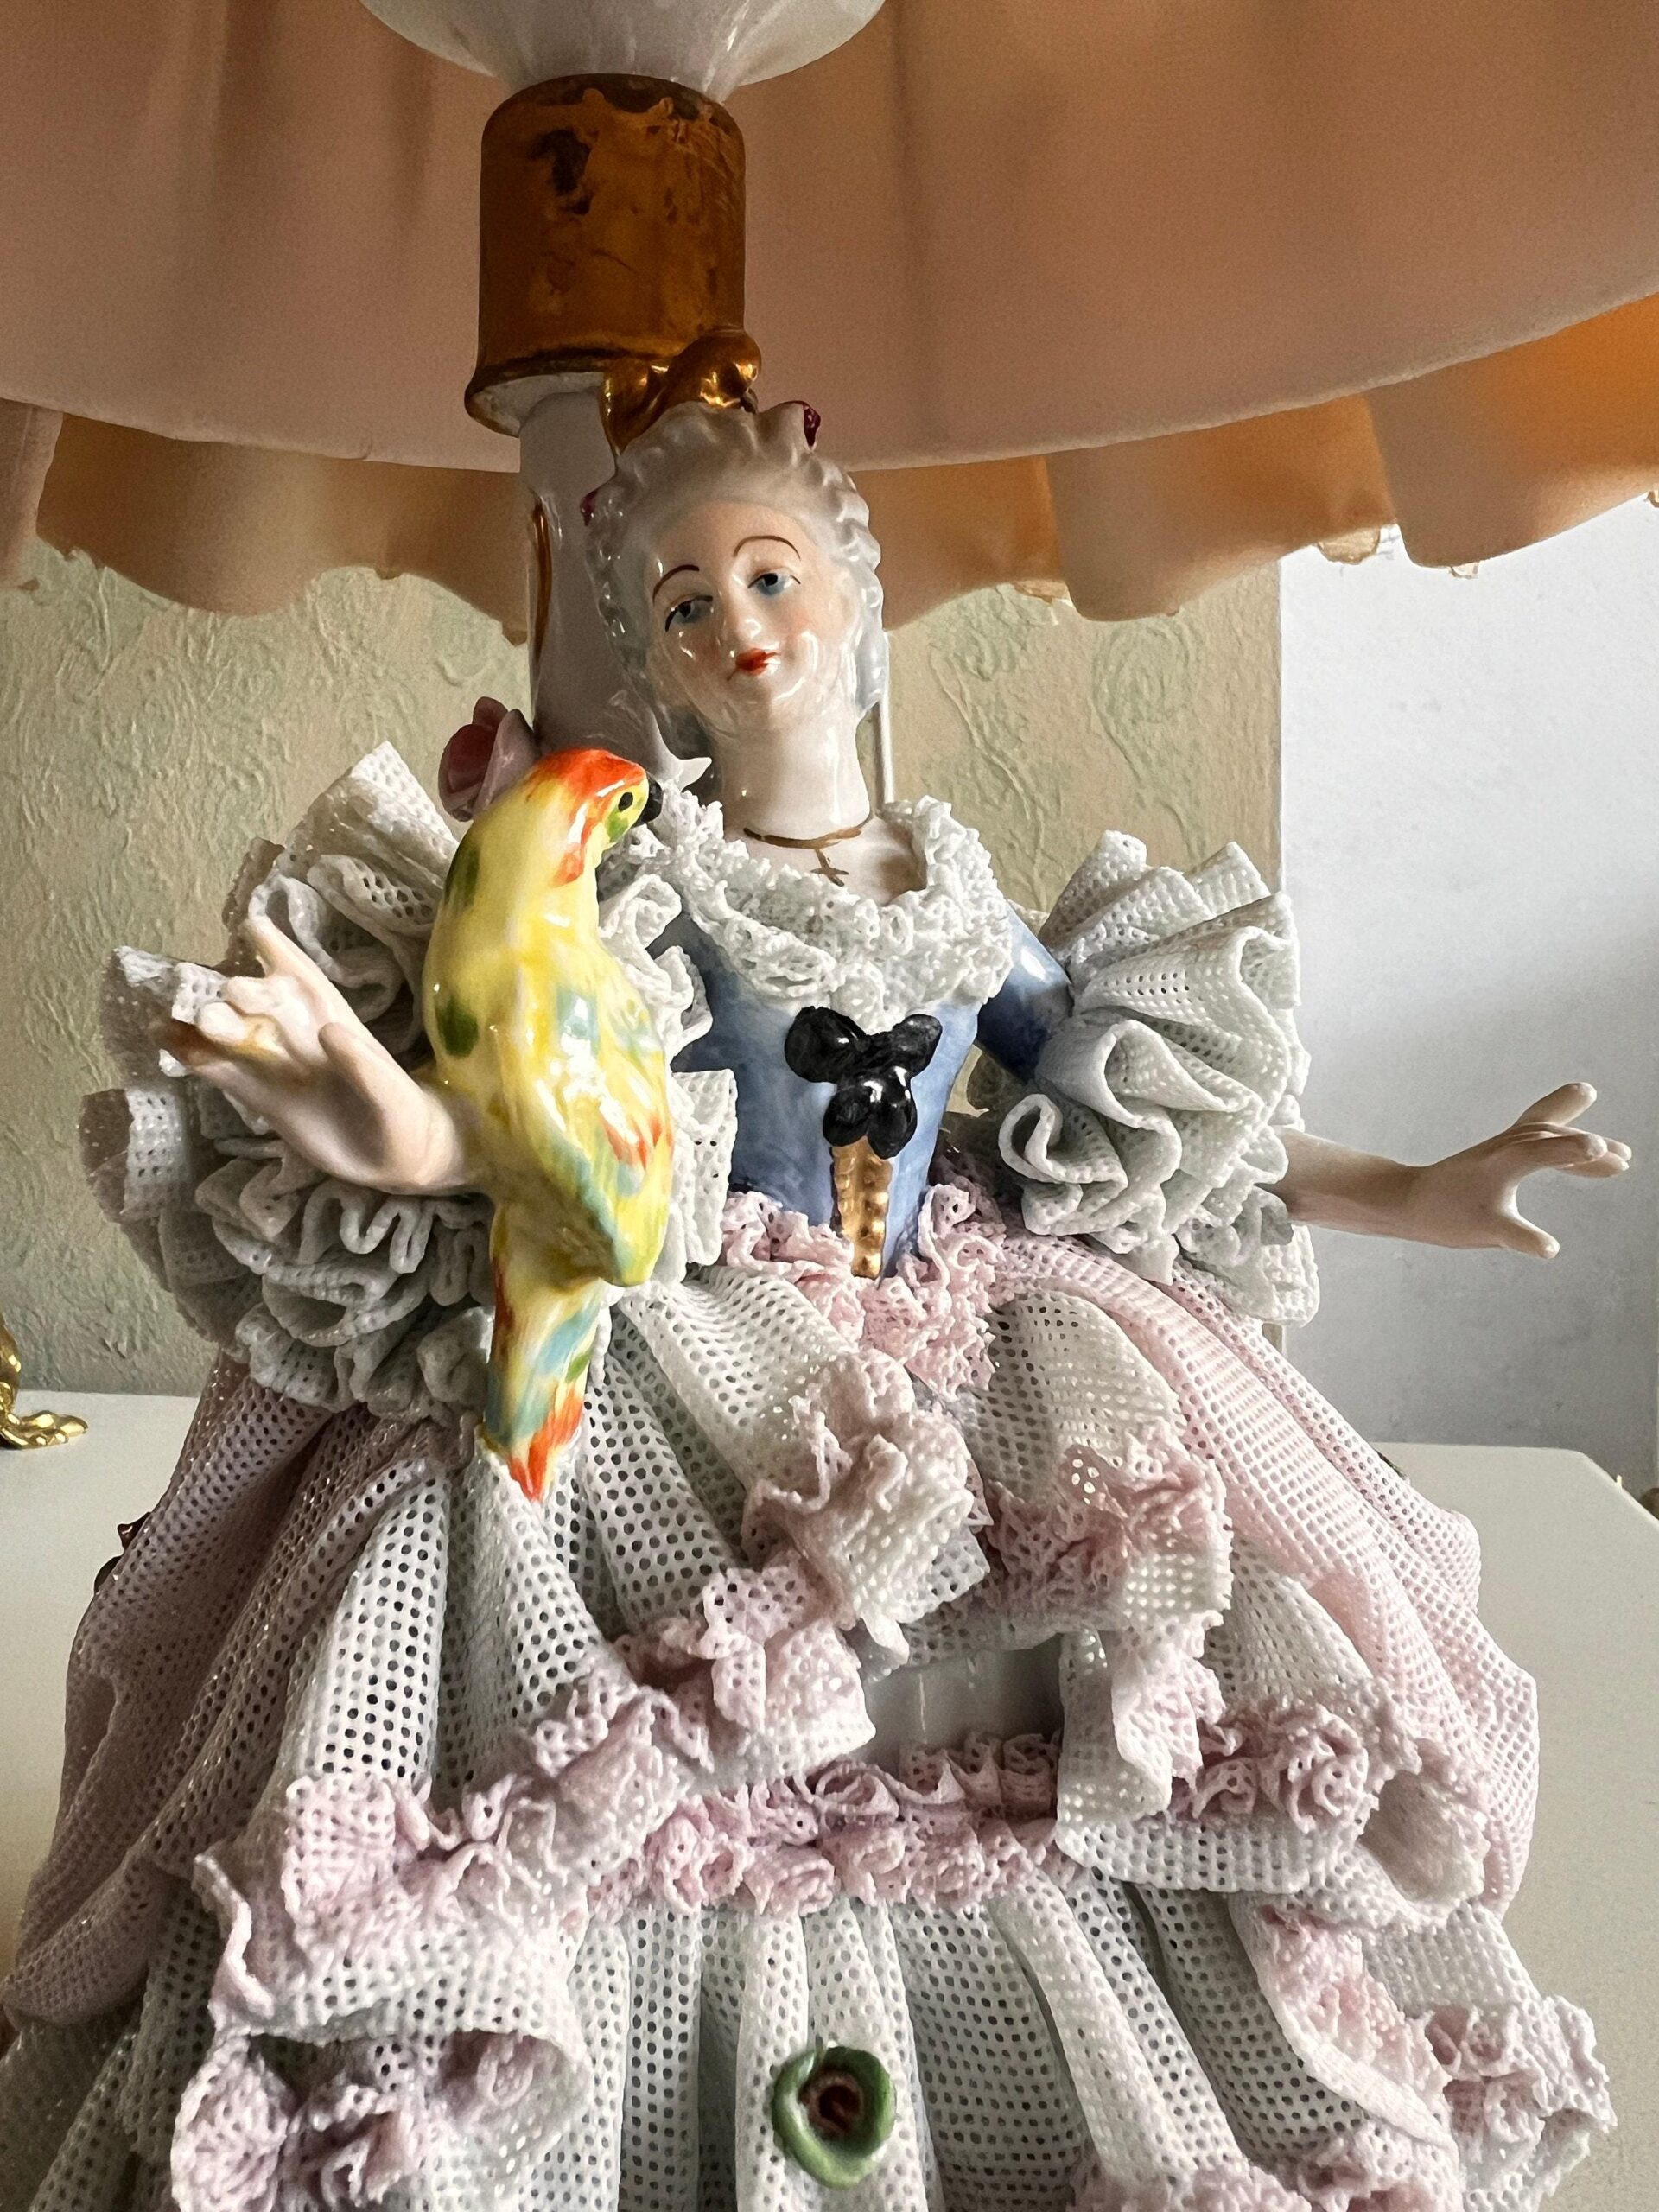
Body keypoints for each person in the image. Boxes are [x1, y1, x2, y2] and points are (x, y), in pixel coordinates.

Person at [0, 373, 1623, 2212]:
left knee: (1093, 1651)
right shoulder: (652, 896)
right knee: (587, 1638)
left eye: (769, 577)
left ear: (857, 594)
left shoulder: (958, 895)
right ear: (652, 660)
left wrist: (1414, 1185)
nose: (738, 627)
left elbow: (1150, 1121)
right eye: (685, 603)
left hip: (974, 1333)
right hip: (714, 1341)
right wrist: (388, 1122)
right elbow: (562, 1132)